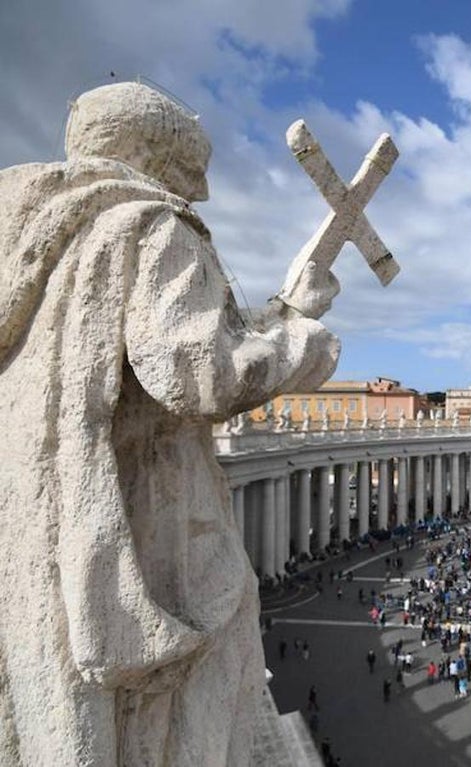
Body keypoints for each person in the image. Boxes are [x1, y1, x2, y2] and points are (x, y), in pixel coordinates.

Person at [0, 81, 340, 764]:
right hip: (146, 514)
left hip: (34, 515)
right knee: (210, 643)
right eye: (193, 170)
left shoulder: (28, 236)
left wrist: (281, 306)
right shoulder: (147, 225)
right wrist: (303, 339)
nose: (203, 193)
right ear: (154, 154)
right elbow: (200, 372)